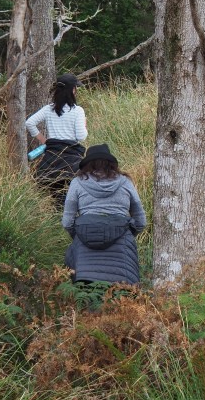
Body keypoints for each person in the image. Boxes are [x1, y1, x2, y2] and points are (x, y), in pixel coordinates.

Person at [63, 144, 147, 285]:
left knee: (85, 295)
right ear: (111, 163)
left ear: (87, 164)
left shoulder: (77, 183)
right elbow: (141, 221)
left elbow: (67, 222)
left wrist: (81, 234)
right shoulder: (125, 182)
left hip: (84, 255)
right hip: (122, 252)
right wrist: (125, 233)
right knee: (122, 296)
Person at [25, 73, 88, 205]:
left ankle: (57, 213)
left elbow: (29, 123)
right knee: (72, 192)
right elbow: (81, 137)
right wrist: (84, 126)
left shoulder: (48, 109)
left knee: (55, 194)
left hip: (52, 157)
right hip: (72, 157)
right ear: (72, 90)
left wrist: (44, 140)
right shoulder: (78, 111)